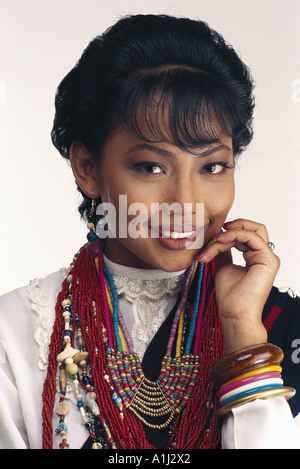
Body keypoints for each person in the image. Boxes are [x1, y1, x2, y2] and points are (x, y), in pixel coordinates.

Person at [0, 13, 300, 450]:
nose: (185, 202)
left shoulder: (279, 325)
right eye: (151, 167)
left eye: (212, 166)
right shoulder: (16, 333)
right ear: (87, 168)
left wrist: (243, 337)